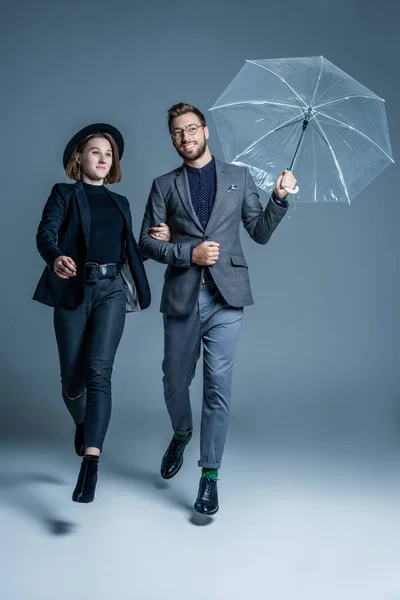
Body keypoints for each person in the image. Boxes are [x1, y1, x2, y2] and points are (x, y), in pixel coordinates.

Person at [139, 103, 296, 515]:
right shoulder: (163, 185)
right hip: (183, 297)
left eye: (191, 128)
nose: (185, 137)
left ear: (205, 131)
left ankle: (210, 476)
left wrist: (279, 198)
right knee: (174, 380)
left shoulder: (238, 178)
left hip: (228, 298)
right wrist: (189, 252)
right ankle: (181, 432)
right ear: (172, 138)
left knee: (218, 389)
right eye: (177, 132)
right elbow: (146, 244)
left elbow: (259, 232)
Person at [33, 123, 170, 503]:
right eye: (96, 151)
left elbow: (127, 254)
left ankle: (90, 465)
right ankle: (82, 421)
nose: (103, 159)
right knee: (72, 382)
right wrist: (56, 256)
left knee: (100, 373)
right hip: (75, 290)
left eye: (109, 155)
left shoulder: (120, 203)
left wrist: (154, 242)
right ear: (79, 157)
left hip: (111, 292)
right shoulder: (64, 193)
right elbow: (46, 233)